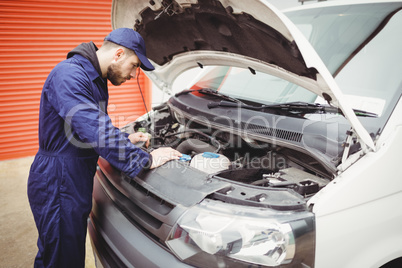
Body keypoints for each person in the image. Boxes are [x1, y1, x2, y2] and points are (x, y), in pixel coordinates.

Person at [27, 28, 182, 268]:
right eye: (134, 66)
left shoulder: (93, 79)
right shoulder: (70, 75)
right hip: (58, 180)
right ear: (119, 54)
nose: (133, 75)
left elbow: (85, 128)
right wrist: (146, 159)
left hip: (71, 177)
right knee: (61, 259)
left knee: (57, 251)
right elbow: (95, 129)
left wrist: (124, 138)